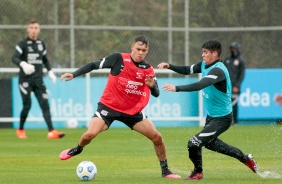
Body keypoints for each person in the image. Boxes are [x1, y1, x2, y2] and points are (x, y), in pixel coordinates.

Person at [59, 35, 181, 179]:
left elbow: (156, 93)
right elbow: (93, 65)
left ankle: (165, 171)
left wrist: (152, 86)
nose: (140, 52)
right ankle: (78, 149)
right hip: (109, 106)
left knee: (157, 137)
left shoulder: (148, 70)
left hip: (132, 111)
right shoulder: (118, 59)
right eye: (138, 49)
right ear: (132, 47)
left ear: (147, 51)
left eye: (144, 50)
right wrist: (74, 74)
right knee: (89, 134)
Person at [157, 40, 258, 180]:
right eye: (202, 52)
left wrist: (177, 88)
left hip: (222, 118)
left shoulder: (218, 70)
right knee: (210, 144)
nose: (202, 55)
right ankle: (245, 158)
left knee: (193, 143)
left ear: (215, 53)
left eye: (205, 52)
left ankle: (198, 172)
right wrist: (170, 66)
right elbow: (187, 70)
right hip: (212, 117)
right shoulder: (204, 65)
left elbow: (200, 84)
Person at [12, 20, 65, 139]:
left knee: (45, 104)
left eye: (36, 28)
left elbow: (45, 60)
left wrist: (50, 72)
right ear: (28, 29)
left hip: (38, 80)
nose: (33, 30)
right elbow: (14, 58)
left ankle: (51, 131)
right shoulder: (23, 44)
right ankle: (20, 129)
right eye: (31, 27)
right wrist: (23, 64)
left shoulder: (41, 43)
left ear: (39, 30)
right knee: (27, 105)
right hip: (25, 80)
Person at [223, 42, 246, 125]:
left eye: (235, 49)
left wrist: (237, 85)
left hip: (235, 86)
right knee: (225, 103)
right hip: (226, 85)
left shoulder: (240, 61)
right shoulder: (227, 60)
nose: (233, 50)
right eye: (232, 49)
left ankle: (234, 120)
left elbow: (241, 74)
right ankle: (226, 120)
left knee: (234, 103)